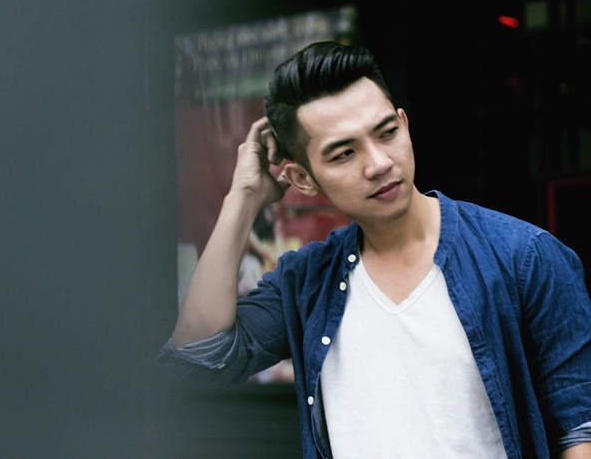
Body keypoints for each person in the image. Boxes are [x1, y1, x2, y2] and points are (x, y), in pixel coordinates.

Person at [157, 41, 591, 458]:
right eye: (344, 154)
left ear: (405, 124)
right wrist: (243, 198)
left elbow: (580, 429)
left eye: (386, 133)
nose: (379, 163)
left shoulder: (524, 257)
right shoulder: (307, 284)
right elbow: (200, 357)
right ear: (303, 179)